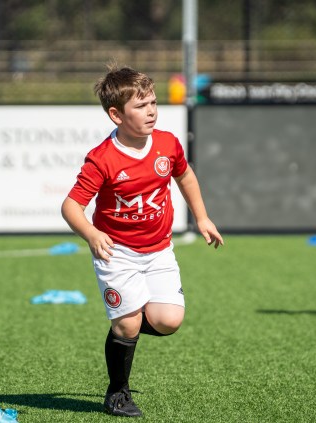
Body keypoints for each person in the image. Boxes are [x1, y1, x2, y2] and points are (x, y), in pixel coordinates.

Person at [61, 65, 223, 417]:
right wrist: (92, 233)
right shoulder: (102, 159)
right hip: (116, 253)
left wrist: (202, 217)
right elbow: (71, 206)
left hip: (160, 249)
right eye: (141, 106)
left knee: (169, 321)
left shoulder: (167, 144)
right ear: (116, 115)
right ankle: (117, 392)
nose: (151, 111)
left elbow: (185, 176)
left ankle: (125, 323)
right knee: (129, 323)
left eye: (153, 102)